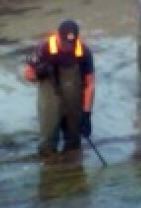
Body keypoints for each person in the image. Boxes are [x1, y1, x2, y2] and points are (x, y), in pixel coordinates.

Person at [23, 19, 96, 155]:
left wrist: (87, 114)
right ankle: (49, 169)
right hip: (50, 99)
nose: (68, 46)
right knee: (48, 141)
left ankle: (73, 170)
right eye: (65, 42)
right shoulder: (43, 49)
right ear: (58, 36)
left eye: (71, 43)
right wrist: (39, 74)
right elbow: (28, 75)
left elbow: (90, 84)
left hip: (74, 100)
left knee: (74, 140)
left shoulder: (84, 52)